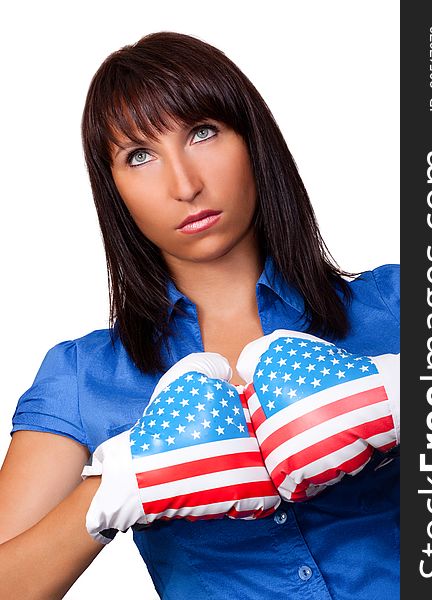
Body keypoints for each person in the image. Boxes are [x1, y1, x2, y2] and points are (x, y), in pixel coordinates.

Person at [0, 31, 399, 599]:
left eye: (203, 132)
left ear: (252, 140)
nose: (184, 185)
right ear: (112, 188)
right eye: (139, 156)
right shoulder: (83, 376)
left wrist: (412, 396)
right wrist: (112, 494)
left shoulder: (402, 302)